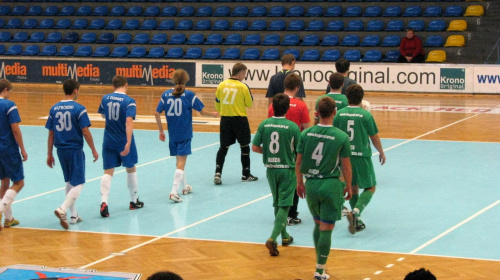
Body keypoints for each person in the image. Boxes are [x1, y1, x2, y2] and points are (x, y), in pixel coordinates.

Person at [296, 97, 352, 280]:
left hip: (310, 183)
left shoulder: (305, 134)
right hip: (330, 184)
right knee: (327, 227)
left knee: (318, 223)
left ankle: (319, 263)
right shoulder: (341, 137)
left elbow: (298, 162)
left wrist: (299, 182)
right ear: (334, 112)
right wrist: (349, 186)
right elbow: (346, 167)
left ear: (317, 113)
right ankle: (320, 270)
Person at [155, 69, 218, 203]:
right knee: (181, 163)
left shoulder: (165, 94)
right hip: (184, 133)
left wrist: (161, 131)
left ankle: (185, 187)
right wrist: (212, 114)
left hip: (172, 133)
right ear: (185, 80)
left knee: (179, 161)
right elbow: (201, 111)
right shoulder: (189, 95)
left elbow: (156, 113)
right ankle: (173, 191)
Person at [46, 79, 99, 229]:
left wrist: (49, 154)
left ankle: (73, 215)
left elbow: (51, 133)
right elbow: (85, 131)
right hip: (74, 149)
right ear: (75, 90)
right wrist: (93, 149)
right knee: (79, 183)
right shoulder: (79, 108)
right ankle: (62, 209)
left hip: (60, 150)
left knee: (69, 181)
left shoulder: (54, 109)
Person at [333, 84, 386, 234]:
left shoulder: (339, 114)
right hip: (361, 156)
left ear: (346, 98)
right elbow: (374, 136)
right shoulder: (366, 115)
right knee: (370, 187)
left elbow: (334, 134)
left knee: (352, 187)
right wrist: (381, 152)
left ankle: (357, 219)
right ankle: (356, 212)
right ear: (362, 99)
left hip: (345, 157)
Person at [253, 93, 301, 256]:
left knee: (277, 203)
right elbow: (300, 151)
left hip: (271, 169)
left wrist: (267, 153)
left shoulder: (264, 124)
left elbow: (254, 147)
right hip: (287, 169)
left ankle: (285, 236)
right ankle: (273, 238)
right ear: (287, 108)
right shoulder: (293, 127)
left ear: (272, 107)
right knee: (285, 205)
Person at [98, 76, 144, 217]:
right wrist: (128, 142)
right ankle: (133, 200)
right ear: (126, 85)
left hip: (109, 139)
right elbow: (129, 122)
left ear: (113, 86)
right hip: (123, 139)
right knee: (130, 168)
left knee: (108, 171)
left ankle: (104, 201)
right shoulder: (129, 101)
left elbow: (103, 116)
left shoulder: (105, 98)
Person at [267, 73, 310, 226]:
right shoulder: (301, 105)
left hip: (277, 148)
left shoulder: (273, 104)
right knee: (295, 178)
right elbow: (306, 129)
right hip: (294, 147)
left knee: (279, 181)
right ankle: (291, 214)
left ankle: (280, 212)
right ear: (297, 87)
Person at [214, 63, 258, 185]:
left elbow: (217, 103)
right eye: (244, 74)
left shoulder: (221, 85)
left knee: (223, 147)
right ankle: (245, 174)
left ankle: (218, 172)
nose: (244, 76)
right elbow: (249, 103)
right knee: (244, 147)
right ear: (240, 73)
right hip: (240, 120)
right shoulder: (243, 87)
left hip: (225, 120)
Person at [0, 79, 27, 231]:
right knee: (19, 182)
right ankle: (1, 210)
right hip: (7, 148)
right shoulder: (9, 105)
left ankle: (8, 219)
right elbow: (15, 129)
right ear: (5, 90)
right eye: (9, 91)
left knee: (4, 181)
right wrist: (22, 148)